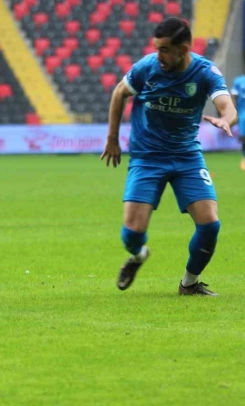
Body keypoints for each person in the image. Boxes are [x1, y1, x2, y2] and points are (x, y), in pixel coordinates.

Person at [101, 17, 237, 297]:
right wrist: (112, 139)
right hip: (147, 157)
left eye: (164, 49)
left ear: (183, 49)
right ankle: (138, 256)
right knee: (131, 235)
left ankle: (189, 283)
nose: (158, 55)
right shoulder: (146, 69)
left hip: (187, 156)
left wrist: (227, 119)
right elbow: (118, 93)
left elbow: (227, 105)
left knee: (210, 224)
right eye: (156, 48)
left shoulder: (204, 72)